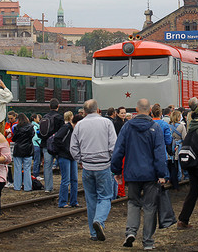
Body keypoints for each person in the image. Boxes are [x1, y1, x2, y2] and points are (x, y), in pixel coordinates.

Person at [111, 99, 167, 250]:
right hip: (150, 174)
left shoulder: (127, 127)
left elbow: (118, 150)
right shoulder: (155, 128)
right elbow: (160, 154)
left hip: (132, 173)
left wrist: (116, 171)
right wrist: (161, 173)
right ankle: (148, 242)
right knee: (150, 207)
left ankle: (130, 232)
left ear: (136, 109)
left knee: (133, 203)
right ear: (149, 110)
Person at [70, 99, 117, 241]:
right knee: (105, 197)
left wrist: (80, 160)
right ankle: (99, 220)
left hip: (87, 167)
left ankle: (93, 233)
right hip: (103, 166)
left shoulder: (79, 125)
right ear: (98, 110)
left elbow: (73, 147)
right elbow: (114, 145)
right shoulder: (107, 123)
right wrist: (109, 159)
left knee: (91, 199)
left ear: (84, 111)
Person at [57, 113, 82, 208]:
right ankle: (62, 202)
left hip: (72, 157)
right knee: (66, 180)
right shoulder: (66, 128)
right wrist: (67, 149)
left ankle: (73, 201)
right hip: (65, 156)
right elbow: (57, 139)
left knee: (74, 179)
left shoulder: (75, 130)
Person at [39, 99, 65, 193]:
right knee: (62, 166)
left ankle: (48, 187)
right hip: (57, 146)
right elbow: (62, 132)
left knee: (47, 166)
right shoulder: (59, 117)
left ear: (49, 106)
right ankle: (64, 186)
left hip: (46, 144)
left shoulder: (44, 117)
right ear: (58, 106)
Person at [12, 113, 34, 192]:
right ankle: (27, 187)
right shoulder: (30, 127)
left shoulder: (17, 127)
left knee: (17, 169)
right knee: (27, 169)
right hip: (28, 149)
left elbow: (14, 139)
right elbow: (32, 135)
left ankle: (17, 186)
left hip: (18, 149)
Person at [167, 110, 187, 189]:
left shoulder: (168, 126)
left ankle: (170, 178)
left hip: (170, 146)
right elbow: (184, 137)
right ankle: (179, 178)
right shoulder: (181, 126)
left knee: (171, 164)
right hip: (179, 147)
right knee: (178, 163)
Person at [31, 114, 43, 180]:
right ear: (34, 119)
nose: (39, 119)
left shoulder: (34, 126)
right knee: (37, 160)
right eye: (38, 117)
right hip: (36, 145)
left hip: (36, 144)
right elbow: (35, 137)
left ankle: (36, 174)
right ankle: (36, 174)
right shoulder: (35, 127)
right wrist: (41, 137)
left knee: (37, 160)